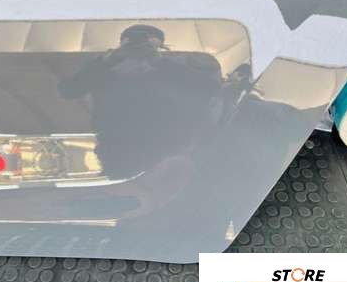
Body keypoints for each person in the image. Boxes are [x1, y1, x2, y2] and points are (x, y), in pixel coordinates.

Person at [58, 24, 225, 179]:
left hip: (162, 141)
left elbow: (209, 89)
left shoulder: (173, 65)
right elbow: (69, 91)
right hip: (115, 141)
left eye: (146, 42)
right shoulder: (103, 64)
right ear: (121, 43)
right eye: (133, 41)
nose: (138, 46)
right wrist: (109, 61)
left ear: (160, 46)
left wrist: (160, 62)